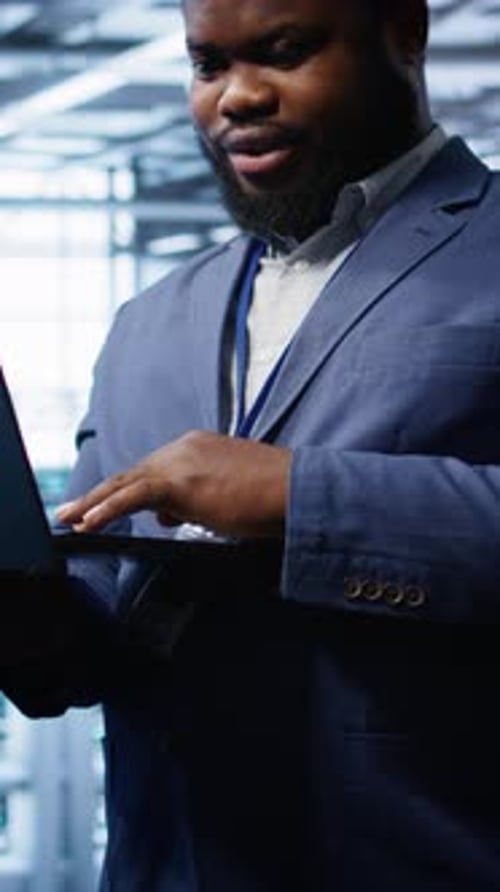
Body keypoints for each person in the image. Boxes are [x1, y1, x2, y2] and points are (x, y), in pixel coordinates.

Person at [3, 0, 500, 888]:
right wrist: (26, 617)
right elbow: (96, 614)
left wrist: (297, 497)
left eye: (284, 51)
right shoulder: (146, 321)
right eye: (207, 66)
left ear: (405, 30)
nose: (236, 97)